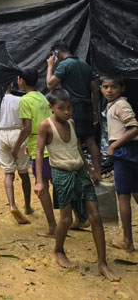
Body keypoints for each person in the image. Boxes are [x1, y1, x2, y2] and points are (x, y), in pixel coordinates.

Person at [34, 89, 118, 281]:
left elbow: (77, 147)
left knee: (95, 216)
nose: (67, 112)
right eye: (61, 108)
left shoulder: (72, 123)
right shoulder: (45, 126)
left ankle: (102, 263)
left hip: (79, 171)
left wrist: (89, 169)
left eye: (69, 107)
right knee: (65, 220)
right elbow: (39, 152)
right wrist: (39, 181)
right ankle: (58, 250)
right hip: (61, 173)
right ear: (51, 108)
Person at [13, 68, 57, 237]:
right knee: (59, 184)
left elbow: (27, 128)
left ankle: (53, 226)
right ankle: (79, 217)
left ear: (21, 81)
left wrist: (17, 146)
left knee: (43, 187)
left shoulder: (24, 100)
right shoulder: (42, 97)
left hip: (39, 149)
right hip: (49, 145)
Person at [47, 41, 101, 172]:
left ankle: (87, 171)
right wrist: (95, 111)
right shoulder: (85, 65)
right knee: (90, 140)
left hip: (72, 108)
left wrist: (50, 66)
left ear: (57, 52)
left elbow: (49, 84)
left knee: (75, 141)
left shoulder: (64, 65)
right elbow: (95, 90)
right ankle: (98, 172)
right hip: (87, 106)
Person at [0, 83, 32, 224]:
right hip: (19, 133)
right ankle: (28, 206)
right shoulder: (20, 100)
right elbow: (26, 121)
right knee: (24, 173)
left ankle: (12, 205)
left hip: (2, 134)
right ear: (11, 85)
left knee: (8, 173)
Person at [100, 76, 138, 253]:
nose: (109, 90)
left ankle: (128, 242)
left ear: (122, 88)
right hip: (131, 152)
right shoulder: (113, 105)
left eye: (113, 87)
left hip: (125, 152)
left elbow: (134, 128)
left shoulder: (121, 105)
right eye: (105, 87)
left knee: (123, 195)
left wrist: (114, 145)